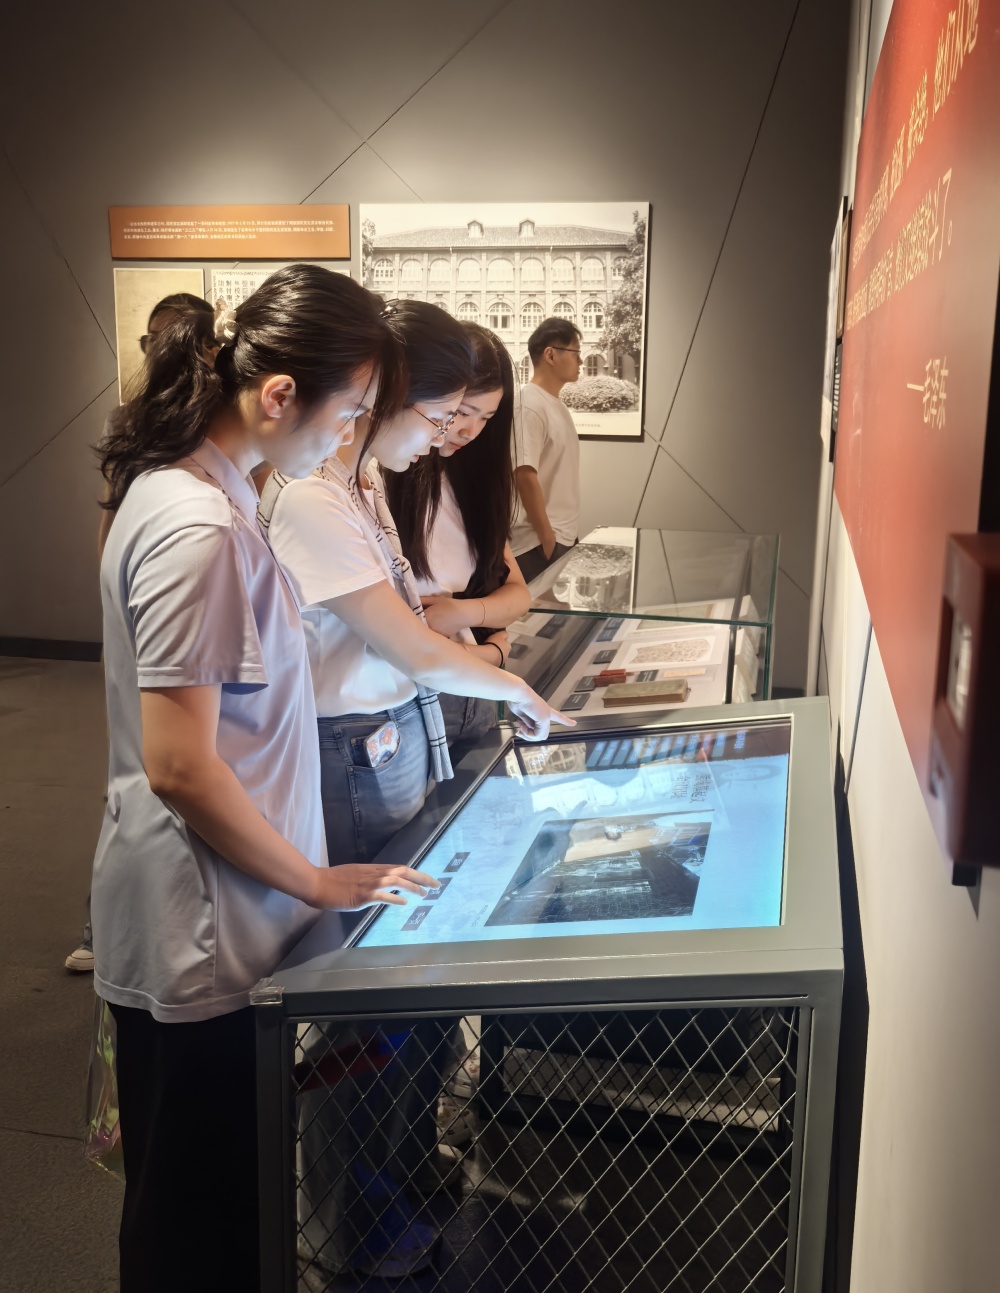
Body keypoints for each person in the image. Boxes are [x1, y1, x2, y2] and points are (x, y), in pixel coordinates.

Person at [91, 265, 437, 1293]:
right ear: (280, 393)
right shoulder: (198, 526)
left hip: (221, 907)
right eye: (351, 408)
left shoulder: (206, 498)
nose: (352, 431)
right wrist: (316, 879)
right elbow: (180, 763)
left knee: (206, 1208)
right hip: (204, 924)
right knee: (198, 1228)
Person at [262, 300, 572, 1278]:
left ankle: (389, 1181)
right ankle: (347, 1221)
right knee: (363, 1009)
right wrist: (512, 686)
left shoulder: (358, 483)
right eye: (441, 416)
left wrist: (483, 662)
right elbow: (407, 642)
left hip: (395, 741)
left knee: (406, 993)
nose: (447, 438)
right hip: (351, 752)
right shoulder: (313, 497)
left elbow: (433, 628)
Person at [66, 292, 220, 975]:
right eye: (152, 339)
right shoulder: (134, 427)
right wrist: (118, 621)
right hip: (153, 611)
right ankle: (104, 926)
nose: (161, 350)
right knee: (136, 778)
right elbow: (111, 523)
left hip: (190, 614)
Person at [385, 322, 530, 747]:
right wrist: (490, 651)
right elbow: (405, 642)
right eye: (462, 413)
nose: (470, 431)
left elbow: (518, 595)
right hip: (411, 698)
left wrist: (464, 614)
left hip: (473, 691)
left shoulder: (471, 481)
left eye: (486, 418)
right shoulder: (383, 477)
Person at [510, 316, 584, 583]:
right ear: (551, 355)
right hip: (536, 545)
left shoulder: (556, 405)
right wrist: (547, 538)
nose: (581, 362)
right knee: (534, 610)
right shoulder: (528, 404)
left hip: (560, 537)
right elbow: (524, 475)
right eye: (575, 353)